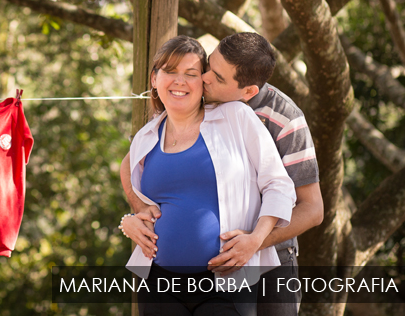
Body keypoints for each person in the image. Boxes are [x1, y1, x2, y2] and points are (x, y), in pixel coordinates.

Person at [120, 33, 322, 316]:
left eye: (212, 76)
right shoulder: (169, 118)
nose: (203, 79)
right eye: (207, 68)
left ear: (247, 91)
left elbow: (308, 206)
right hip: (161, 283)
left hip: (267, 256)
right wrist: (136, 216)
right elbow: (132, 166)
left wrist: (254, 241)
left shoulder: (276, 117)